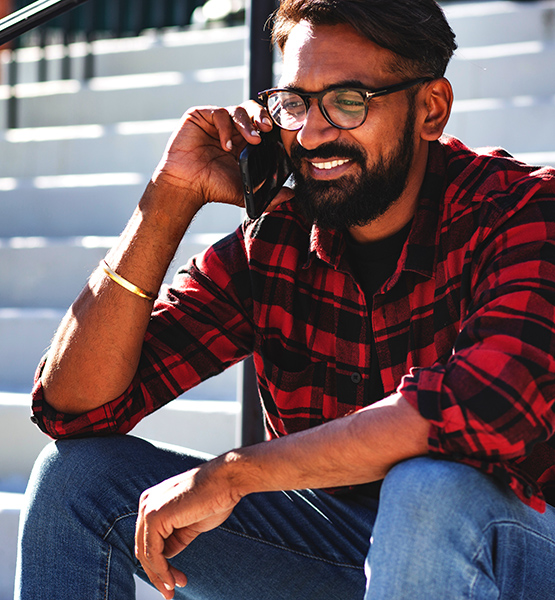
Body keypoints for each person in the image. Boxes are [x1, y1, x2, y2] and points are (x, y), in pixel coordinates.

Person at [15, 0, 555, 598]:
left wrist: (235, 474)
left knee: (427, 489)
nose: (313, 132)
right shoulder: (274, 240)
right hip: (343, 551)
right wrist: (170, 199)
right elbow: (75, 407)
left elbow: (476, 407)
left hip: (513, 553)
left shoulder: (523, 213)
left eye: (349, 102)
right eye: (295, 102)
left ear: (431, 109)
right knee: (75, 480)